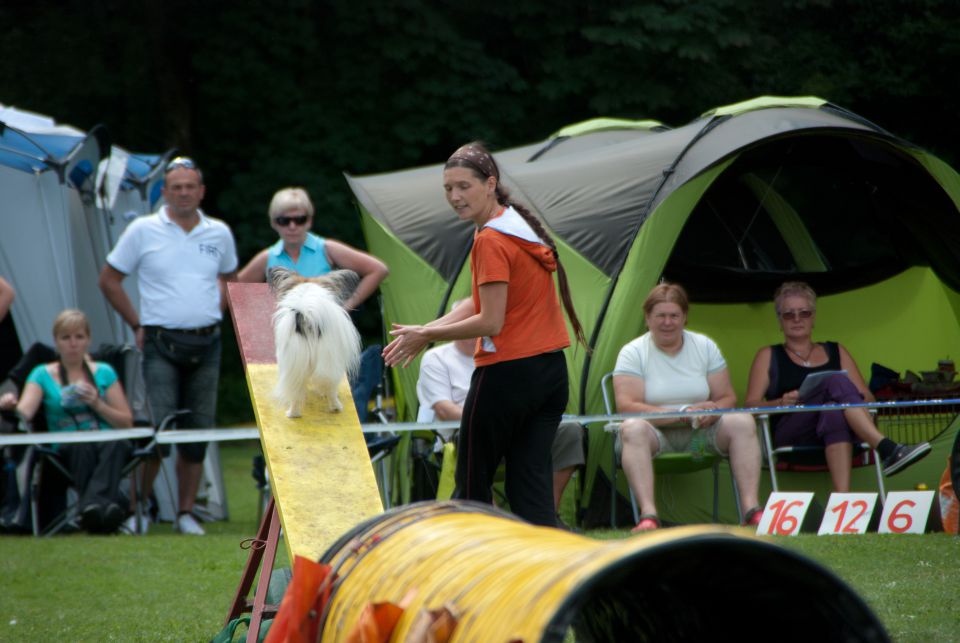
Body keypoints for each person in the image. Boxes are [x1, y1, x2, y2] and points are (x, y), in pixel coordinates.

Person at [384, 141, 587, 527]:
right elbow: (479, 302)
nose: (455, 197)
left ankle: (471, 575)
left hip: (507, 376)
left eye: (464, 186)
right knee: (531, 491)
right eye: (448, 189)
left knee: (473, 486)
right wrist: (428, 328)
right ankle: (555, 577)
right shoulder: (517, 226)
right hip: (551, 375)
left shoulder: (491, 240)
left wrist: (427, 336)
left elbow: (490, 322)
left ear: (490, 183)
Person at [99, 156, 238, 535]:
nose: (183, 192)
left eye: (189, 186)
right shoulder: (143, 230)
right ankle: (138, 510)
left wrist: (215, 310)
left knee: (197, 432)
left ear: (201, 191)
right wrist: (135, 322)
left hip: (207, 343)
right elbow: (109, 279)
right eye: (175, 186)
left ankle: (186, 514)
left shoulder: (219, 233)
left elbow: (229, 277)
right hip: (159, 341)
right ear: (164, 192)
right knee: (154, 432)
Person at [745, 281, 931, 491]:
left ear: (813, 317)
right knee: (835, 380)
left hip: (838, 429)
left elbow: (868, 398)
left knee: (833, 413)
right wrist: (780, 401)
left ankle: (842, 501)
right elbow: (750, 405)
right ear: (780, 320)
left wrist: (843, 401)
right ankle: (886, 447)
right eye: (789, 314)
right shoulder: (768, 355)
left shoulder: (836, 350)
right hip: (793, 431)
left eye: (804, 313)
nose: (797, 319)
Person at [613, 283, 763, 533]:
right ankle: (649, 516)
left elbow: (727, 398)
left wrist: (711, 409)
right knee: (632, 428)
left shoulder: (704, 346)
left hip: (699, 440)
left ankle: (751, 510)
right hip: (655, 436)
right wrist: (680, 415)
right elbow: (627, 406)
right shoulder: (632, 352)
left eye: (674, 315)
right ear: (647, 318)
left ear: (684, 317)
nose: (667, 322)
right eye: (660, 315)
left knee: (742, 420)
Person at [417, 299, 585, 513]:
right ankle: (492, 518)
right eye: (468, 320)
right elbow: (444, 409)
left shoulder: (505, 354)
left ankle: (548, 513)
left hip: (511, 425)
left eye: (476, 320)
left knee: (570, 431)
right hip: (461, 433)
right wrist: (498, 420)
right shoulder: (435, 358)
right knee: (478, 439)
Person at [237, 187, 389, 420]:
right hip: (291, 332)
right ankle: (296, 401)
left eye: (299, 219)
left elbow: (378, 269)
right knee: (293, 374)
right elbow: (238, 290)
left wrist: (346, 307)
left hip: (326, 330)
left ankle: (330, 396)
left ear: (309, 220)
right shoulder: (268, 257)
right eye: (284, 220)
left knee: (330, 376)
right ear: (274, 223)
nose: (292, 226)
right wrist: (261, 325)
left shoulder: (326, 249)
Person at [4, 309, 133, 533]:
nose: (73, 344)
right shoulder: (41, 374)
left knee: (117, 443)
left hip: (105, 439)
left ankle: (91, 509)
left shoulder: (104, 372)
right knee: (80, 447)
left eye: (79, 337)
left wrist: (97, 404)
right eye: (66, 338)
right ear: (56, 342)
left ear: (88, 340)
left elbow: (126, 423)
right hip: (67, 444)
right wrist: (9, 404)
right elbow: (25, 411)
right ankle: (103, 509)